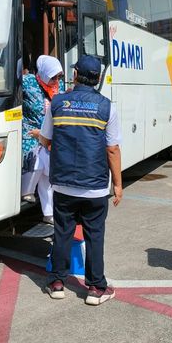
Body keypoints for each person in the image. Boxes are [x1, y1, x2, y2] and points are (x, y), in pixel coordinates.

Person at [41, 55, 122, 305]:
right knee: (94, 235)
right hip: (95, 186)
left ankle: (57, 283)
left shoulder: (57, 103)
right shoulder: (108, 107)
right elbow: (112, 149)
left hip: (63, 183)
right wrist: (117, 184)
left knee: (62, 233)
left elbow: (46, 139)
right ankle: (96, 288)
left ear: (75, 74)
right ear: (97, 78)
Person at [20, 55, 64, 223]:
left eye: (59, 77)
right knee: (38, 160)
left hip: (47, 134)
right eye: (53, 76)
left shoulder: (56, 88)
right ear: (44, 73)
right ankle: (27, 190)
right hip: (29, 132)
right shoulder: (27, 82)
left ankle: (49, 213)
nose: (56, 80)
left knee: (48, 174)